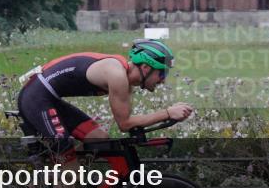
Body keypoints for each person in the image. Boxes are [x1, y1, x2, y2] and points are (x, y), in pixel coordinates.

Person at [16, 38, 193, 161]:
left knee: (100, 139)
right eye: (162, 73)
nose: (163, 80)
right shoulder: (117, 76)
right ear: (146, 68)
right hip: (36, 98)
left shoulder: (125, 79)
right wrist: (168, 113)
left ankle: (61, 183)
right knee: (70, 167)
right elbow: (125, 124)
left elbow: (128, 122)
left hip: (48, 98)